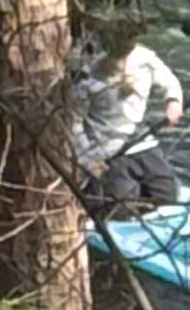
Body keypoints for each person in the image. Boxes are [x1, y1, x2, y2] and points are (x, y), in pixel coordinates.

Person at [69, 30, 184, 209]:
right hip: (108, 151)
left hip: (142, 143)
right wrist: (90, 162)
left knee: (168, 197)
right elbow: (74, 125)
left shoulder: (145, 59)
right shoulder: (89, 77)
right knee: (121, 207)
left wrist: (174, 101)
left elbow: (169, 81)